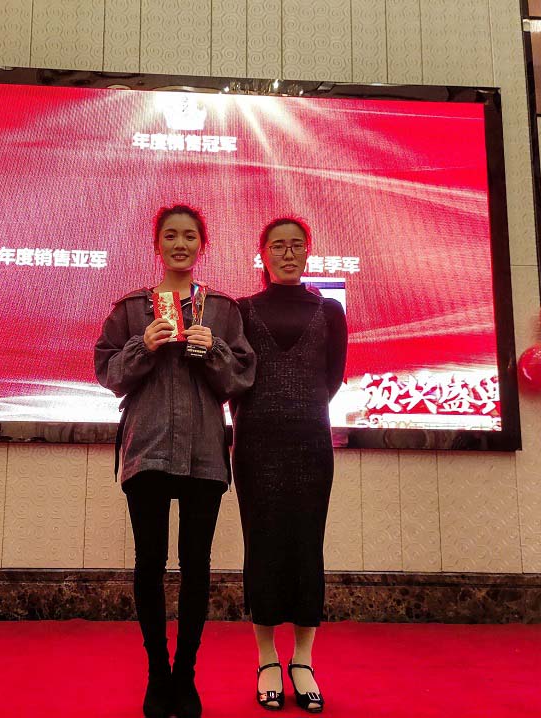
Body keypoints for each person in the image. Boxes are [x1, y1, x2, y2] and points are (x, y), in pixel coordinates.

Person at [95, 204, 256, 718]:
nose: (180, 244)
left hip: (204, 450)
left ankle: (185, 674)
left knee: (197, 566)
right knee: (149, 563)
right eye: (171, 236)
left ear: (201, 245)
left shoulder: (223, 309)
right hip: (146, 448)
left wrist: (216, 351)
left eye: (189, 236)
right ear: (157, 244)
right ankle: (156, 673)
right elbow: (107, 373)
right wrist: (141, 346)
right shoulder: (131, 308)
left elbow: (241, 380)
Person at [231, 216, 348, 714]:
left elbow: (332, 378)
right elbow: (234, 377)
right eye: (277, 245)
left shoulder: (330, 310)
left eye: (296, 245)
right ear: (262, 254)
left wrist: (299, 408)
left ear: (307, 252)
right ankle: (266, 660)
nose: (287, 253)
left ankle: (303, 660)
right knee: (261, 545)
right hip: (255, 445)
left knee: (306, 545)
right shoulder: (241, 310)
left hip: (310, 444)